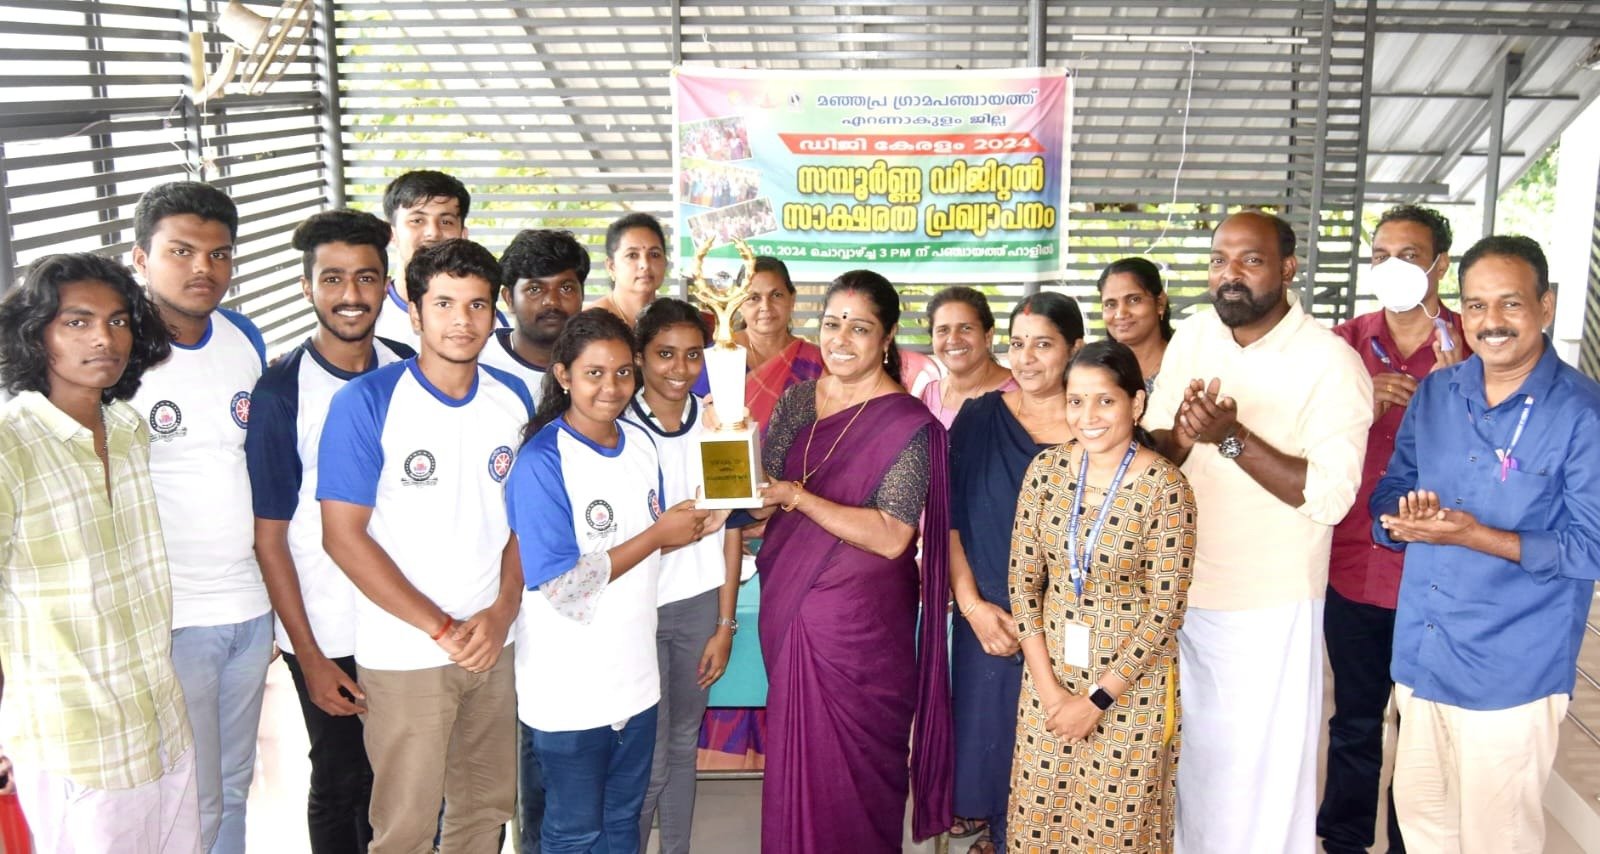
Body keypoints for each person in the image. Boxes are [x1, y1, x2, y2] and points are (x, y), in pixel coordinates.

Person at [1144, 211, 1372, 853]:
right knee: (1194, 769)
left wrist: (1231, 438)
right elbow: (1158, 450)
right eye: (1219, 259)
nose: (1230, 274)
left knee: (1262, 780)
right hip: (1185, 590)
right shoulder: (1194, 335)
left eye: (1250, 260)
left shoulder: (1330, 362)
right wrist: (1184, 434)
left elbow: (1328, 497)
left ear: (1288, 268)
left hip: (1271, 602)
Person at [1372, 235, 1600, 853]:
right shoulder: (1438, 394)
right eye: (1475, 305)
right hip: (1422, 659)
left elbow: (1589, 547)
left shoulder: (1583, 414)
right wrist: (1401, 520)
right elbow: (1391, 490)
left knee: (1498, 841)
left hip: (1510, 674)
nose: (1491, 321)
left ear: (1545, 306)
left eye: (1510, 303)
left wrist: (1475, 536)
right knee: (1424, 832)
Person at [318, 238, 530, 854]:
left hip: (494, 644)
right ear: (413, 313)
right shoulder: (367, 403)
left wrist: (502, 611)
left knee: (485, 810)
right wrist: (440, 627)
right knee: (406, 827)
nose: (462, 320)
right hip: (406, 652)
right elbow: (343, 537)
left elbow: (521, 525)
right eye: (443, 304)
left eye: (477, 305)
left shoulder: (512, 398)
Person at [751, 270, 953, 852]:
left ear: (886, 338)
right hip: (793, 609)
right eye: (832, 323)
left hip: (862, 628)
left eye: (859, 328)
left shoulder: (908, 424)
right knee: (800, 764)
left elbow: (891, 536)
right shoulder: (798, 401)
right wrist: (725, 450)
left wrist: (798, 498)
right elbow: (762, 498)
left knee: (859, 774)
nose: (840, 339)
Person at [0, 253, 194, 853]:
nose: (103, 339)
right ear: (37, 334)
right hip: (75, 740)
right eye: (77, 322)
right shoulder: (10, 446)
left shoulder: (129, 429)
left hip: (161, 720)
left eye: (118, 321)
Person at [505, 309, 712, 854]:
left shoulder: (639, 444)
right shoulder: (543, 460)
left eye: (623, 372)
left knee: (622, 821)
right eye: (594, 373)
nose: (612, 387)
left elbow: (647, 544)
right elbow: (563, 587)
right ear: (564, 376)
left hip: (636, 679)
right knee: (574, 832)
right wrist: (660, 534)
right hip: (570, 689)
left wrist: (703, 519)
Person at [245, 210, 415, 854]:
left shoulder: (410, 368)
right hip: (328, 626)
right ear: (306, 286)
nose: (351, 295)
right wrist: (309, 655)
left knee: (406, 777)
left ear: (386, 285)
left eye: (366, 278)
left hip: (408, 617)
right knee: (343, 779)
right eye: (333, 278)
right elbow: (269, 537)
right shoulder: (281, 392)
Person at [127, 181, 272, 854]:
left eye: (219, 254)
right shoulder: (118, 354)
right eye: (181, 252)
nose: (202, 269)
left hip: (249, 608)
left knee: (234, 786)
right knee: (191, 795)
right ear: (141, 258)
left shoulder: (243, 337)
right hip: (172, 617)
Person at [1008, 339, 1195, 852]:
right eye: (1076, 400)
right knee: (1040, 822)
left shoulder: (1166, 488)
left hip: (1129, 691)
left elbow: (1165, 612)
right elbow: (1022, 585)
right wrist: (1050, 693)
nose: (1087, 416)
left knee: (1116, 833)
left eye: (1105, 400)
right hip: (1048, 683)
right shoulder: (1045, 473)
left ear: (1136, 403)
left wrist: (1096, 700)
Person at [1319, 204, 1464, 854]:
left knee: (1423, 727)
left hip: (1436, 572)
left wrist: (1455, 387)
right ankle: (1344, 841)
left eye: (1409, 256)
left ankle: (1411, 843)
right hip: (1352, 564)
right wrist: (1360, 402)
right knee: (1355, 719)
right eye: (1380, 256)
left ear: (1440, 265)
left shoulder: (1470, 345)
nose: (1391, 267)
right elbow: (1302, 438)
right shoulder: (1342, 345)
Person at [946, 292, 1083, 853]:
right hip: (991, 622)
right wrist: (971, 607)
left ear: (1074, 349)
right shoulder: (979, 419)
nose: (1026, 359)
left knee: (1063, 753)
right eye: (1018, 344)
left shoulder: (1095, 425)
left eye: (1043, 344)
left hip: (1072, 627)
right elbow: (949, 522)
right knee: (993, 749)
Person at [627, 300, 742, 854]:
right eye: (665, 354)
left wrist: (725, 623)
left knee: (681, 742)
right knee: (647, 756)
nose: (680, 368)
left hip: (697, 605)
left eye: (693, 355)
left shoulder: (720, 421)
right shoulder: (617, 423)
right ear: (639, 356)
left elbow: (732, 527)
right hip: (635, 609)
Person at [374, 169, 478, 347]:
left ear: (463, 235)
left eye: (446, 222)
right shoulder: (368, 319)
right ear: (392, 234)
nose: (433, 233)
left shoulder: (484, 321)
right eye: (417, 220)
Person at [482, 228, 588, 392]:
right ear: (509, 299)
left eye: (566, 288)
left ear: (582, 294)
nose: (552, 301)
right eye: (534, 289)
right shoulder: (478, 364)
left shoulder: (602, 365)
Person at [736, 256, 823, 428]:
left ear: (792, 299)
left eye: (776, 295)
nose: (766, 306)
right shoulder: (720, 355)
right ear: (737, 304)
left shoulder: (815, 361)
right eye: (753, 297)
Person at [920, 286, 1017, 429]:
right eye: (943, 330)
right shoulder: (930, 394)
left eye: (966, 328)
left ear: (988, 336)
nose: (953, 339)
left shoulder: (1017, 393)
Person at [1096, 257, 1174, 392]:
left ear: (1160, 302)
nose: (1121, 314)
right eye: (1110, 304)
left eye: (1134, 300)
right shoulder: (1093, 371)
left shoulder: (1186, 364)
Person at [589, 212, 667, 328]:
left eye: (654, 254)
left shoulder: (673, 320)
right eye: (632, 255)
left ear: (665, 262)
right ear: (611, 266)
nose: (645, 264)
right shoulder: (592, 322)